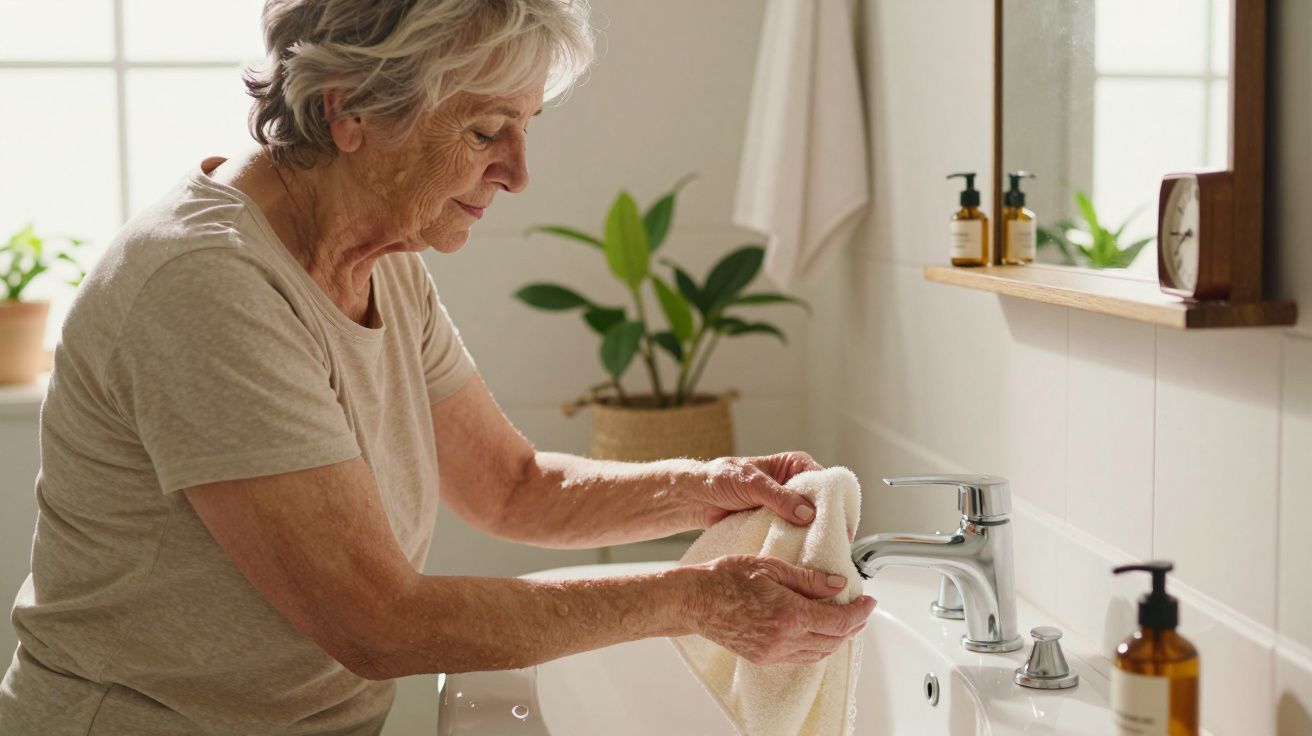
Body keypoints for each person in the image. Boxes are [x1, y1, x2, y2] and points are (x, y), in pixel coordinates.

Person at [0, 1, 875, 733]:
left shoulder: (382, 256)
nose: (519, 172)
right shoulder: (202, 285)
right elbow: (379, 623)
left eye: (525, 127)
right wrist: (696, 598)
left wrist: (710, 485)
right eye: (487, 129)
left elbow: (516, 487)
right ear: (349, 113)